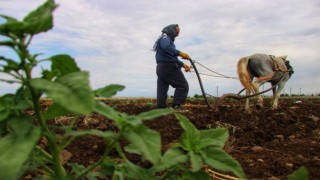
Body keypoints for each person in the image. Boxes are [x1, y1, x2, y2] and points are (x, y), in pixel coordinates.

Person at [153, 24, 191, 110]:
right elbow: (166, 47)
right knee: (182, 86)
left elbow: (171, 56)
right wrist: (179, 53)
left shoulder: (164, 39)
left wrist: (182, 64)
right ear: (171, 30)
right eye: (176, 32)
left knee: (162, 87)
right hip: (168, 66)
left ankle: (161, 108)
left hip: (161, 67)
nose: (177, 35)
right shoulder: (165, 38)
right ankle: (177, 106)